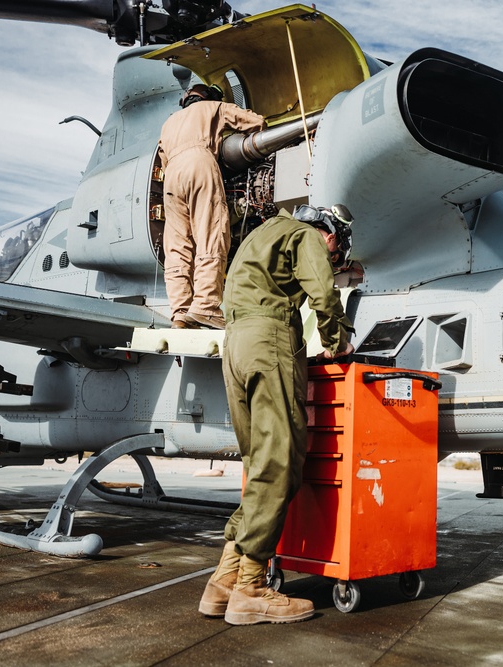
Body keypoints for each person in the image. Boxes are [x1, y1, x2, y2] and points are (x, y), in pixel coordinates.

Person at [198, 205, 355, 625]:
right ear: (330, 235)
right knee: (280, 463)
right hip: (269, 342)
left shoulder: (261, 236)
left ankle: (224, 581)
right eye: (336, 249)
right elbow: (323, 292)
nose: (333, 255)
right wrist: (337, 341)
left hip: (235, 346)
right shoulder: (307, 236)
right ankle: (251, 589)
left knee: (259, 462)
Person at [158, 83, 266, 330]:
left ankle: (180, 313)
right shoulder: (213, 107)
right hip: (199, 163)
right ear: (208, 96)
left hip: (172, 177)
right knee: (211, 235)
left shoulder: (169, 123)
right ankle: (206, 307)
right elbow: (254, 121)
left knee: (177, 246)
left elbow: (163, 159)